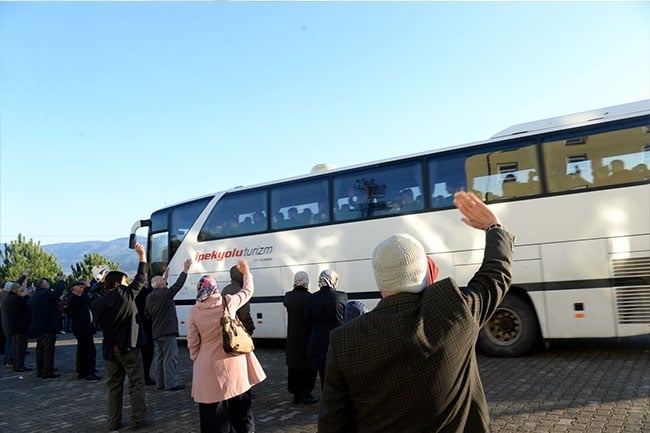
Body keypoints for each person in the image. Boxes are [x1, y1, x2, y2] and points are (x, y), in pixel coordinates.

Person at [318, 191, 514, 433]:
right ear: (424, 274)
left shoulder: (344, 341)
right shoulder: (454, 314)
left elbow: (332, 423)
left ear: (380, 281)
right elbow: (495, 275)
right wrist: (494, 226)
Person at [187, 259, 266, 433]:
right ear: (215, 288)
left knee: (213, 417)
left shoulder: (194, 311)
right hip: (234, 362)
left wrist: (197, 358)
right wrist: (246, 273)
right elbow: (247, 291)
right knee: (242, 412)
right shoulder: (227, 302)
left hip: (206, 368)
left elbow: (192, 342)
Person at [92, 243, 149, 431]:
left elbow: (93, 295)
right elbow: (141, 279)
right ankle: (138, 419)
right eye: (124, 281)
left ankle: (113, 422)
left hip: (110, 349)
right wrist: (142, 256)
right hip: (128, 346)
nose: (127, 283)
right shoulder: (125, 295)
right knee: (136, 383)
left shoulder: (98, 302)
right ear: (117, 284)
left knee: (114, 387)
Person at [220, 264, 257, 433]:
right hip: (237, 334)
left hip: (225, 334)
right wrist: (250, 329)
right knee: (244, 365)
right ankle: (244, 391)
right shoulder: (238, 291)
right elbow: (244, 314)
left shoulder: (225, 289)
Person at [145, 258, 191, 391]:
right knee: (170, 358)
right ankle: (171, 383)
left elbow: (147, 314)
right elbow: (177, 285)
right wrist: (185, 270)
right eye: (163, 281)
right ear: (160, 285)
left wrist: (165, 276)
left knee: (159, 359)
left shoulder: (150, 297)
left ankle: (160, 383)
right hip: (167, 331)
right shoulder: (165, 294)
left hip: (156, 332)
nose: (166, 282)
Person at [304, 269, 348, 389]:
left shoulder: (312, 298)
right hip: (337, 339)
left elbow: (307, 322)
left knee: (323, 372)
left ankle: (326, 398)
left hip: (319, 340)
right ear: (332, 281)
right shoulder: (342, 296)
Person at [283, 271, 319, 405]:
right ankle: (307, 393)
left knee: (294, 366)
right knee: (308, 367)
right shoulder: (310, 298)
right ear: (306, 281)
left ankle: (296, 395)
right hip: (307, 336)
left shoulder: (288, 297)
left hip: (293, 337)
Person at [28, 276, 64, 378]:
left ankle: (40, 370)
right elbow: (57, 294)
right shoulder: (45, 293)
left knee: (40, 348)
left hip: (38, 325)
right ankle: (47, 370)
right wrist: (61, 282)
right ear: (44, 285)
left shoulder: (34, 296)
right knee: (48, 348)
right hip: (47, 325)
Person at [67, 280, 100, 381]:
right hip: (81, 329)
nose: (82, 289)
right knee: (87, 351)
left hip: (87, 328)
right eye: (80, 287)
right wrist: (86, 289)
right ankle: (88, 372)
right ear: (74, 289)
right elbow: (80, 301)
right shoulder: (73, 299)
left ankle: (85, 370)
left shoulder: (82, 298)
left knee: (87, 350)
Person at [5, 281, 32, 372]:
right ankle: (20, 365)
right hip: (20, 327)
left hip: (14, 326)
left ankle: (16, 364)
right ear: (16, 290)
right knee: (21, 347)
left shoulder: (9, 298)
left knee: (16, 346)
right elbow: (26, 305)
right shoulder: (16, 299)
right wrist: (26, 295)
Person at [135, 278, 155, 386]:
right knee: (147, 353)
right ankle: (145, 376)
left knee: (145, 353)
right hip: (145, 325)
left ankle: (144, 375)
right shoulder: (143, 294)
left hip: (142, 325)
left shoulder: (138, 293)